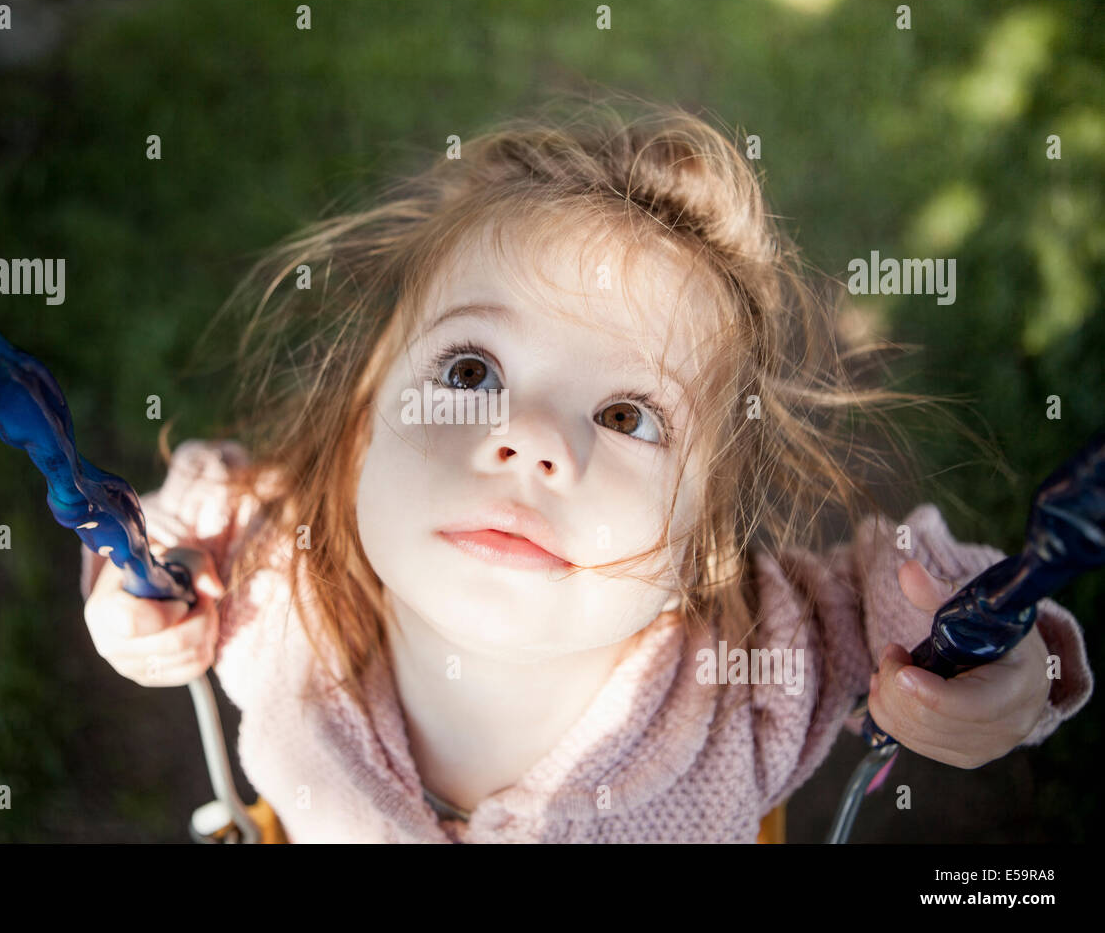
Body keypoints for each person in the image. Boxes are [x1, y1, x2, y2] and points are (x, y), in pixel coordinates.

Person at [81, 97, 1093, 842]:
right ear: (360, 427)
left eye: (624, 413)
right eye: (472, 369)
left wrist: (1002, 662)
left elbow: (927, 600)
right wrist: (135, 603)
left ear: (704, 539)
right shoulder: (267, 574)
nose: (531, 440)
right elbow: (162, 547)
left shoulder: (757, 671)